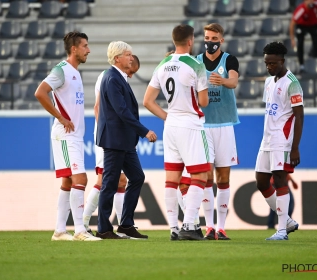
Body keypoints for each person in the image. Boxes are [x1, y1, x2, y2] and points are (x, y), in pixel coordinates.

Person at [143, 24, 210, 241]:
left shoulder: (162, 65)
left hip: (170, 125)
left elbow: (147, 101)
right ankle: (189, 225)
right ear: (190, 41)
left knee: (172, 179)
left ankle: (173, 228)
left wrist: (167, 117)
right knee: (200, 174)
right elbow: (203, 101)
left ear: (174, 41)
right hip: (190, 124)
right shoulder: (196, 65)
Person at [35, 31, 101, 241]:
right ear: (74, 49)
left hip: (74, 136)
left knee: (67, 181)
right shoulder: (62, 70)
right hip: (66, 135)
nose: (88, 50)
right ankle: (80, 230)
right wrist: (61, 117)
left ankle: (60, 231)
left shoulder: (75, 72)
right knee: (80, 178)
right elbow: (40, 92)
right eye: (85, 46)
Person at [178, 23, 240, 241]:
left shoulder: (229, 60)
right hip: (203, 126)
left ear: (221, 40)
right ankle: (210, 226)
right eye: (206, 37)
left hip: (224, 124)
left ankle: (222, 228)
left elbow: (233, 81)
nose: (210, 42)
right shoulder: (195, 62)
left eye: (214, 38)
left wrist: (222, 81)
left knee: (224, 177)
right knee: (205, 177)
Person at [96, 41, 157, 240]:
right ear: (117, 58)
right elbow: (122, 111)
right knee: (110, 183)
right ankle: (104, 228)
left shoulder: (117, 77)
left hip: (124, 141)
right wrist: (144, 131)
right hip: (115, 140)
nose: (132, 58)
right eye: (128, 55)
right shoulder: (112, 78)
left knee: (137, 177)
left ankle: (126, 224)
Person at [83, 55, 140, 233]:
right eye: (131, 71)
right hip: (109, 134)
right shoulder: (107, 77)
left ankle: (123, 225)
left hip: (119, 135)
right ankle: (83, 223)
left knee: (122, 181)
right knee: (104, 179)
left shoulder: (120, 78)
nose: (131, 75)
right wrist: (105, 132)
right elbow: (98, 107)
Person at [255, 41, 304, 241]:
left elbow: (299, 116)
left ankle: (282, 230)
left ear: (282, 61)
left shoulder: (292, 83)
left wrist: (295, 148)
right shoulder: (268, 82)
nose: (269, 67)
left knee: (281, 179)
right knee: (261, 182)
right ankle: (288, 221)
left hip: (282, 140)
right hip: (266, 139)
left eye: (273, 63)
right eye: (267, 63)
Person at [289, 0, 317, 72]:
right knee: (300, 43)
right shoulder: (301, 9)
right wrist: (292, 39)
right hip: (302, 25)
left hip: (313, 24)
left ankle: (316, 58)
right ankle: (301, 65)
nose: (311, 2)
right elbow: (292, 24)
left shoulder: (316, 3)